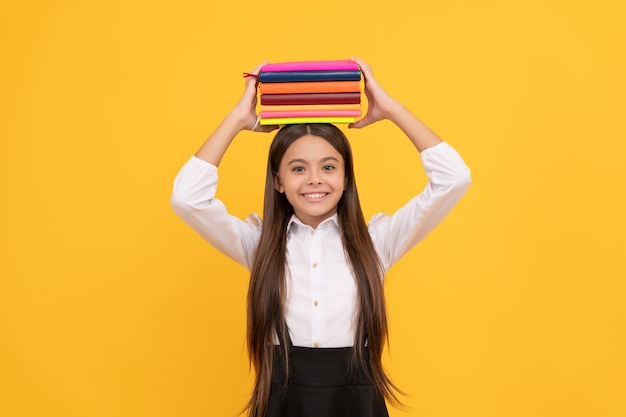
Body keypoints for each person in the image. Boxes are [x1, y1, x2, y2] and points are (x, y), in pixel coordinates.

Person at [171, 58, 471, 417]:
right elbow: (187, 198)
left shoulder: (376, 242)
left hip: (357, 403)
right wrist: (237, 120)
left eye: (329, 167)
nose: (314, 179)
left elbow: (454, 179)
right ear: (279, 181)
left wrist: (391, 109)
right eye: (298, 169)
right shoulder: (260, 244)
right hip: (283, 402)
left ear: (346, 178)